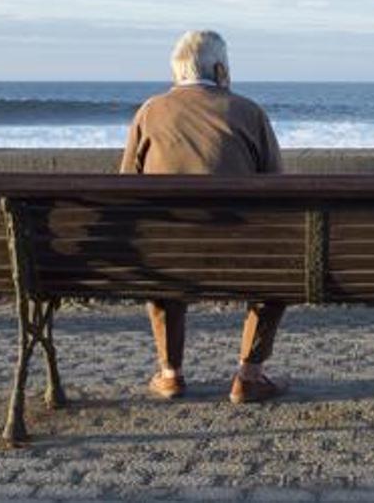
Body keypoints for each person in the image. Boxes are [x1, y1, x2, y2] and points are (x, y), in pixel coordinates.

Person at [120, 29, 289, 404]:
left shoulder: (149, 112)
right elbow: (279, 188)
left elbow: (125, 187)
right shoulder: (248, 111)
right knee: (282, 273)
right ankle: (249, 373)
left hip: (168, 259)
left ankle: (169, 373)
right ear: (219, 69)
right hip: (241, 257)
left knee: (162, 248)